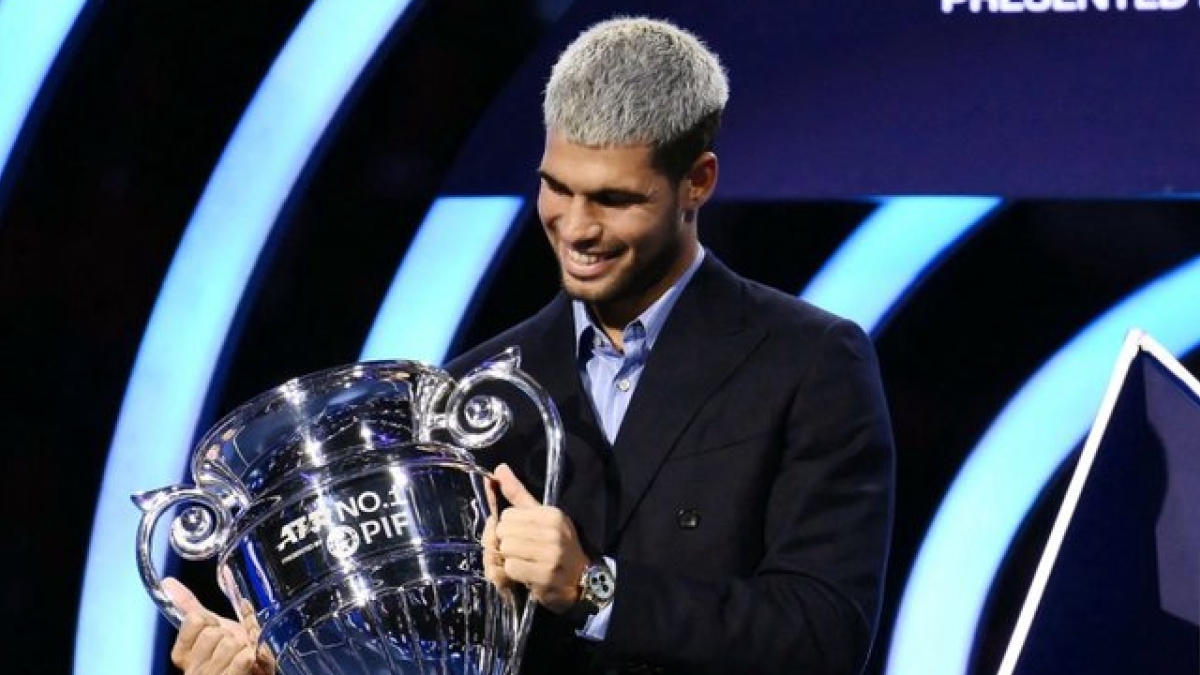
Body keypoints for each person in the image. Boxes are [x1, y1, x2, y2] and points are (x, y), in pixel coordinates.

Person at [166, 16, 895, 675]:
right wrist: (284, 669)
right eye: (556, 188)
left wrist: (593, 586)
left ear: (695, 183)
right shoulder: (471, 395)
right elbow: (437, 653)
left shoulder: (810, 363)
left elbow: (824, 633)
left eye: (614, 199)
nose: (575, 228)